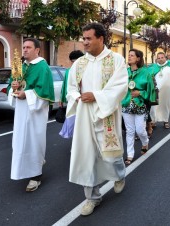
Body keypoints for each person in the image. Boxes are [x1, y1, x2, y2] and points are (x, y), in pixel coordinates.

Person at [66, 23, 128, 216]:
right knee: (87, 156)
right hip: (85, 113)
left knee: (111, 155)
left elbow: (120, 86)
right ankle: (92, 198)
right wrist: (78, 97)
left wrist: (97, 96)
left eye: (88, 38)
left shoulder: (116, 60)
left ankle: (119, 175)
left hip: (106, 113)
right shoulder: (80, 63)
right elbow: (71, 87)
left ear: (101, 39)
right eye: (83, 38)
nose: (84, 42)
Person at [8, 38, 55, 192]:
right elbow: (12, 83)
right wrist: (13, 87)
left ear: (37, 50)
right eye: (24, 47)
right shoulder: (22, 67)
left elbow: (45, 91)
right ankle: (24, 168)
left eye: (28, 47)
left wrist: (26, 95)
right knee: (20, 142)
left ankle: (36, 176)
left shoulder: (43, 67)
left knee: (34, 142)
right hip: (21, 111)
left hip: (35, 112)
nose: (25, 50)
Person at [121, 49, 156, 165]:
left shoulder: (145, 73)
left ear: (138, 58)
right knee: (130, 131)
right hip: (126, 104)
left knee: (140, 130)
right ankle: (130, 154)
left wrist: (140, 93)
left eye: (132, 55)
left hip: (140, 105)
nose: (129, 57)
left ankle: (145, 142)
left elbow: (150, 90)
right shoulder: (124, 72)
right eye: (128, 55)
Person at [59, 50, 84, 138]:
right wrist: (61, 99)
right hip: (72, 100)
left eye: (76, 61)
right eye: (73, 62)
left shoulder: (85, 70)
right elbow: (65, 85)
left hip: (83, 99)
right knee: (73, 122)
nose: (74, 64)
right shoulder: (68, 71)